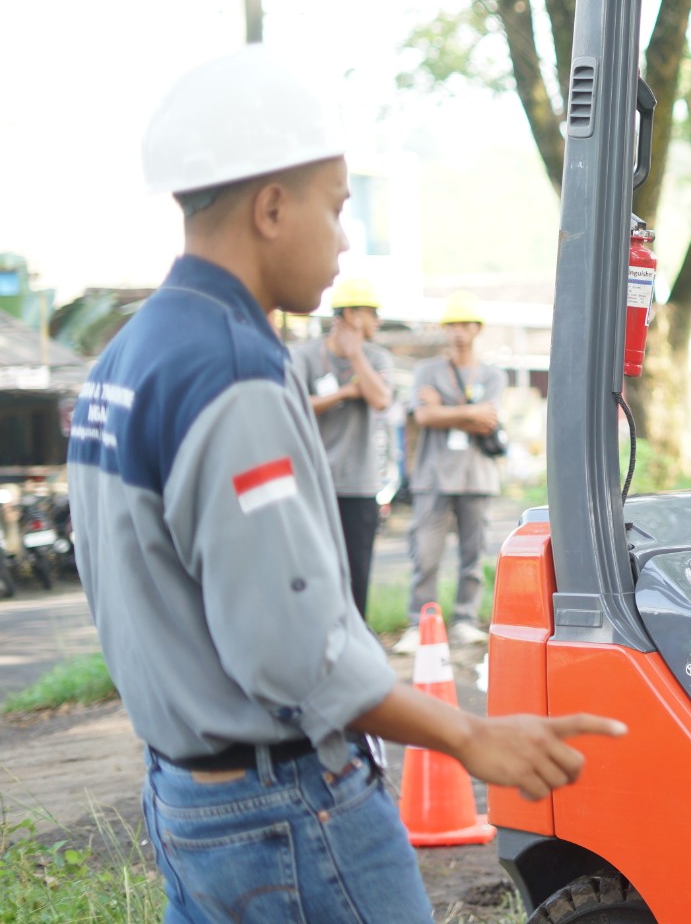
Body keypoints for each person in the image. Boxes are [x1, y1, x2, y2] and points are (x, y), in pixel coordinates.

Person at [68, 49, 622, 924]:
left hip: (184, 796)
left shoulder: (128, 358)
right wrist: (469, 735)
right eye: (336, 207)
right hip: (284, 811)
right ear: (272, 208)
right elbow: (291, 655)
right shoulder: (233, 371)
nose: (345, 238)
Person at [398, 291, 505, 653]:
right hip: (433, 476)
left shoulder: (493, 375)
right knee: (425, 555)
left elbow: (489, 422)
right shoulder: (427, 370)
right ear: (445, 330)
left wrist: (443, 408)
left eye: (465, 325)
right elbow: (422, 416)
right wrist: (470, 413)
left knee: (473, 555)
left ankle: (464, 621)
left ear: (477, 330)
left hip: (476, 477)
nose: (458, 332)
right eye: (453, 325)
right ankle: (420, 623)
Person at [291, 275, 394, 617]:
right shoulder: (303, 355)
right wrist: (345, 393)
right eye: (372, 312)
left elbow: (380, 398)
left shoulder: (377, 359)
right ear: (351, 314)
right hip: (311, 484)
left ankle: (355, 648)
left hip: (359, 486)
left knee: (357, 574)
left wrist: (355, 356)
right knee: (311, 572)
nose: (378, 320)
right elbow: (292, 405)